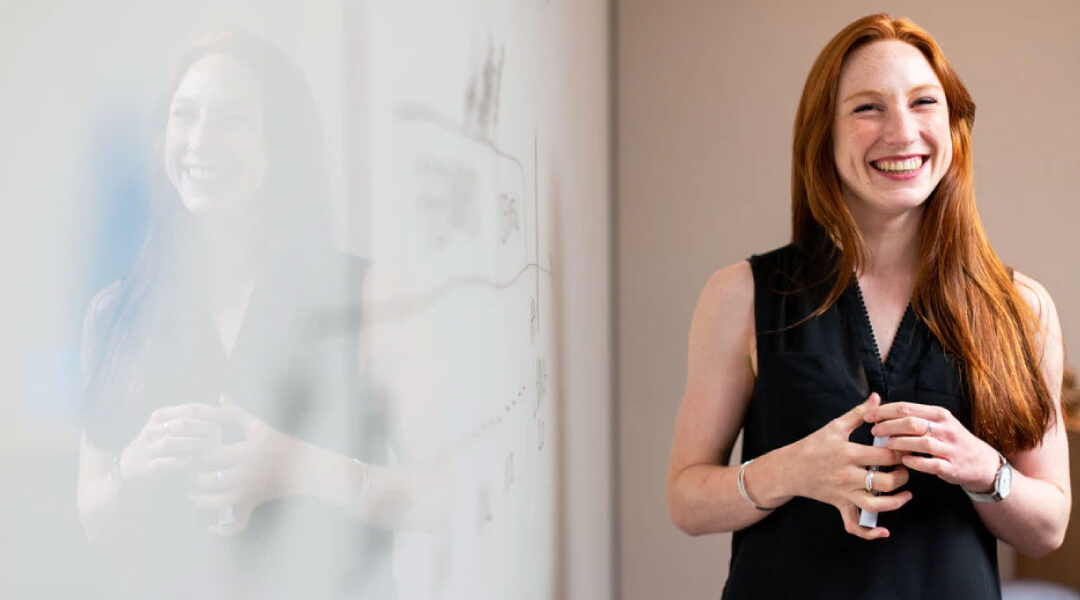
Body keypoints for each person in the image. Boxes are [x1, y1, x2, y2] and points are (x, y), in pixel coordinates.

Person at [666, 14, 1069, 599]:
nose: (901, 133)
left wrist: (985, 470)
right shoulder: (741, 295)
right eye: (867, 108)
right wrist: (791, 471)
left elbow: (1049, 527)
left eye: (923, 102)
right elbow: (686, 501)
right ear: (822, 136)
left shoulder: (1022, 308)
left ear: (954, 127)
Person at [74, 31, 415, 599]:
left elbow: (445, 493)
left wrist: (303, 468)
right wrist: (131, 469)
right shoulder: (114, 314)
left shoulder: (370, 296)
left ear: (282, 143)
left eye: (233, 119)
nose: (200, 141)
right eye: (185, 115)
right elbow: (93, 518)